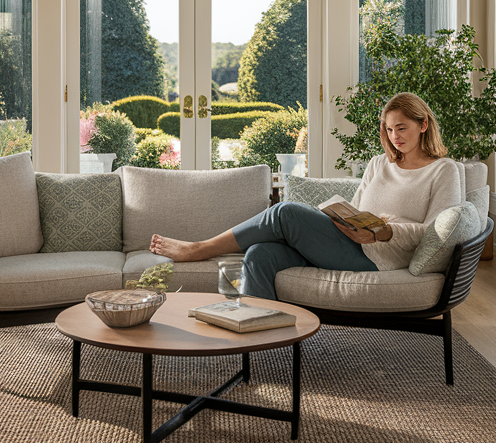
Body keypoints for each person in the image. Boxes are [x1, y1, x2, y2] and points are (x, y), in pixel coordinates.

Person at [149, 92, 464, 300]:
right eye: (390, 130)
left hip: (383, 260)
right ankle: (258, 337)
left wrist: (386, 231)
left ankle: (199, 249)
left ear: (423, 124)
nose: (396, 138)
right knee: (259, 253)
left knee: (284, 213)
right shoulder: (379, 163)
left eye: (403, 128)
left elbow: (436, 232)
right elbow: (359, 209)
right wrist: (348, 221)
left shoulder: (444, 170)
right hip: (351, 244)